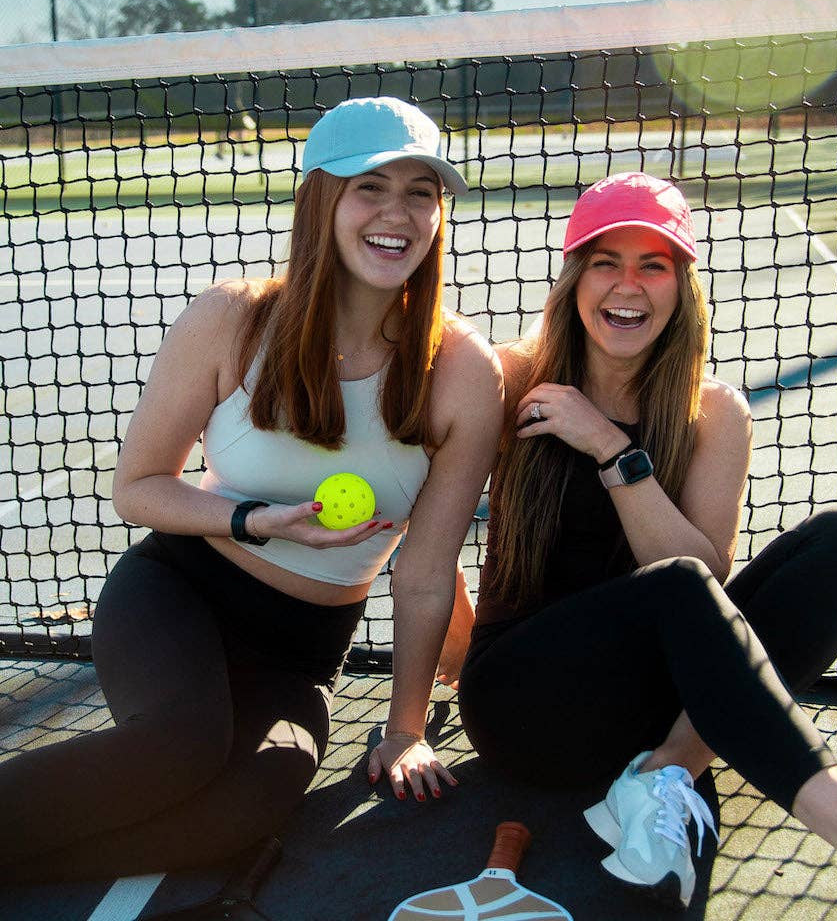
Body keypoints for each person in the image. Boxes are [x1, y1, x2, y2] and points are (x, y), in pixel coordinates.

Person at [448, 172, 837, 920]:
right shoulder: (512, 377)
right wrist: (437, 678)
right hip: (529, 712)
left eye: (653, 265)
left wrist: (610, 448)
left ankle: (665, 773)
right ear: (575, 278)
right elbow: (426, 529)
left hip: (651, 705)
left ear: (682, 287)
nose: (628, 285)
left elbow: (704, 573)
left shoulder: (712, 412)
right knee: (678, 586)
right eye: (607, 262)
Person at [0, 96, 503, 883]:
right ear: (319, 200)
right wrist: (258, 520)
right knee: (180, 747)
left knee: (250, 810)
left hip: (301, 655)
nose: (398, 213)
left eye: (421, 191)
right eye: (370, 187)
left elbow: (427, 571)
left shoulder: (465, 370)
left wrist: (404, 728)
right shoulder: (230, 319)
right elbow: (138, 488)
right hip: (179, 594)